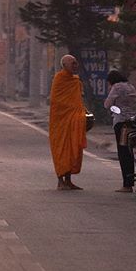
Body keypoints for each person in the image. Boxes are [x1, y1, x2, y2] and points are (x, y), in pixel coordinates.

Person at [48, 55, 87, 190]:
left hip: (73, 120)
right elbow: (55, 100)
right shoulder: (59, 79)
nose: (75, 66)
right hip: (60, 121)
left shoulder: (76, 81)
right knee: (61, 150)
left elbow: (78, 100)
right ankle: (60, 181)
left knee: (73, 149)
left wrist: (81, 112)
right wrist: (73, 109)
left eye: (76, 63)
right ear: (64, 66)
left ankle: (69, 180)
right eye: (72, 64)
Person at [103, 70, 136, 193]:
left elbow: (107, 104)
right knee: (133, 151)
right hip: (134, 122)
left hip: (121, 123)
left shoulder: (116, 87)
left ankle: (127, 184)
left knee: (123, 153)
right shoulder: (131, 86)